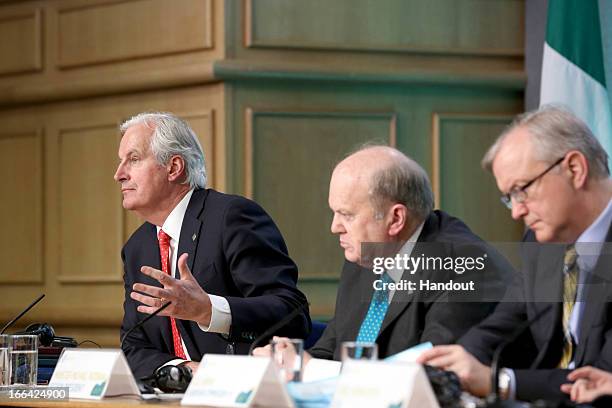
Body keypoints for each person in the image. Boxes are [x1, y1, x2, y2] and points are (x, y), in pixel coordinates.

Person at [418, 106, 612, 402]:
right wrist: (450, 365)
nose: (517, 212)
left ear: (574, 169)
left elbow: (601, 378)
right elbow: (502, 325)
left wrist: (501, 382)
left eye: (522, 190)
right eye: (510, 198)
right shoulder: (540, 243)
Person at [256, 145, 511, 367]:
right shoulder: (366, 256)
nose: (334, 227)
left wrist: (312, 371)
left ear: (396, 218)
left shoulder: (461, 264)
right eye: (334, 213)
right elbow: (331, 349)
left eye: (347, 215)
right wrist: (288, 364)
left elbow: (430, 373)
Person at [115, 112, 310, 378]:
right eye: (121, 162)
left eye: (133, 159)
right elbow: (132, 346)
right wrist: (184, 372)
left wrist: (209, 310)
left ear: (174, 167)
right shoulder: (138, 247)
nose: (119, 174)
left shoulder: (231, 217)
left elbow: (292, 313)